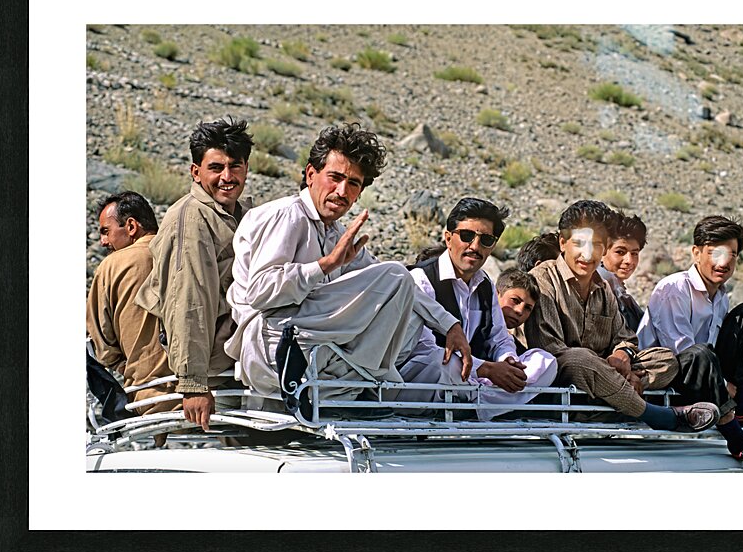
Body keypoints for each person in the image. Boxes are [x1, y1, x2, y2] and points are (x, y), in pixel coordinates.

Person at [224, 123, 471, 415]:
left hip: (308, 335)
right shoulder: (288, 216)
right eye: (335, 177)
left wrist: (449, 325)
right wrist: (325, 265)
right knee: (395, 276)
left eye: (353, 183)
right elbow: (259, 293)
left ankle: (350, 386)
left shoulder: (335, 233)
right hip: (273, 337)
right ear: (311, 174)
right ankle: (357, 384)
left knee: (407, 311)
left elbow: (397, 288)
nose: (342, 191)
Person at [524, 200, 720, 434]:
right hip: (565, 374)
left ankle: (611, 400)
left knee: (665, 359)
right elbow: (551, 349)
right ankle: (658, 416)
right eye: (580, 243)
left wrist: (622, 354)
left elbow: (626, 338)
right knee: (578, 358)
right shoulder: (542, 279)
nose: (587, 254)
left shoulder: (603, 287)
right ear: (563, 242)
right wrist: (609, 368)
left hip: (606, 373)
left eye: (596, 244)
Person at [136, 117, 253, 431]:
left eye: (235, 166)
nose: (227, 177)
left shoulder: (240, 215)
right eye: (215, 168)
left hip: (235, 362)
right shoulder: (192, 218)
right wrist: (193, 383)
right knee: (235, 455)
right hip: (213, 370)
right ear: (195, 171)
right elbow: (188, 302)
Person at [638, 215, 743, 471]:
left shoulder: (721, 296)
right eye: (715, 253)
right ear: (696, 253)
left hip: (705, 376)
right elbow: (680, 351)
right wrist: (724, 386)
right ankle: (738, 440)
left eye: (732, 254)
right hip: (666, 378)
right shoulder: (673, 288)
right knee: (698, 352)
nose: (724, 262)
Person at [400, 198, 557, 420]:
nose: (475, 246)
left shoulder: (484, 285)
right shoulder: (421, 279)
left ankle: (473, 405)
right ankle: (484, 402)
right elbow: (423, 348)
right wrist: (487, 370)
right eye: (466, 236)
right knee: (442, 363)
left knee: (545, 362)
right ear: (448, 238)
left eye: (485, 240)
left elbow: (499, 338)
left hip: (470, 376)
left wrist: (507, 362)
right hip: (428, 375)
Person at [87, 192, 177, 415]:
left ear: (131, 226)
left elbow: (102, 345)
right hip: (214, 393)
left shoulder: (111, 266)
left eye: (106, 231)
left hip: (148, 397)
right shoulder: (186, 251)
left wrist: (129, 366)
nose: (103, 242)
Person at [597, 212, 646, 331]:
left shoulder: (618, 289)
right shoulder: (599, 286)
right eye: (620, 252)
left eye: (634, 253)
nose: (629, 260)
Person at [495, 267, 541, 354]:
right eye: (515, 300)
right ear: (496, 294)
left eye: (527, 308)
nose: (520, 311)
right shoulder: (474, 328)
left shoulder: (515, 348)